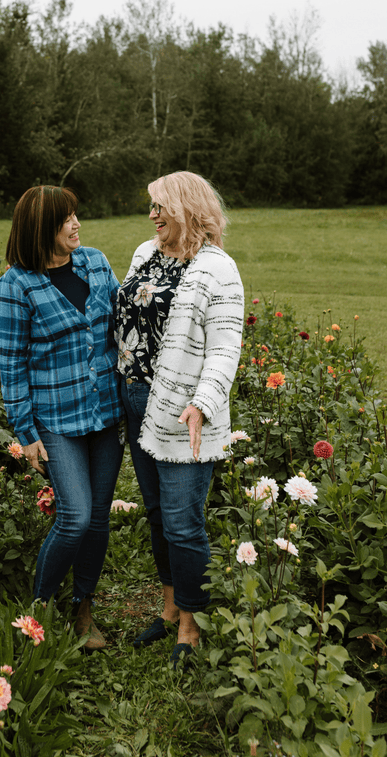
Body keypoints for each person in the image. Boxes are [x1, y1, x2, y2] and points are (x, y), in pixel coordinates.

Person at [115, 171, 243, 666]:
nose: (152, 216)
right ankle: (169, 607)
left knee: (184, 523)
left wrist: (204, 403)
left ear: (186, 208)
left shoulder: (217, 268)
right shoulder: (145, 254)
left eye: (160, 207)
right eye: (151, 207)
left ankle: (191, 626)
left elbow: (224, 349)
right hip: (135, 401)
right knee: (155, 514)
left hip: (186, 413)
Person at [0, 185, 124, 650]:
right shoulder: (16, 284)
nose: (76, 224)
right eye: (65, 218)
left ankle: (83, 609)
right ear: (40, 229)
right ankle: (39, 609)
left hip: (106, 412)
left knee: (99, 521)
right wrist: (26, 432)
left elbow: (121, 321)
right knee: (76, 517)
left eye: (75, 215)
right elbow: (12, 364)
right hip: (57, 418)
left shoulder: (95, 262)